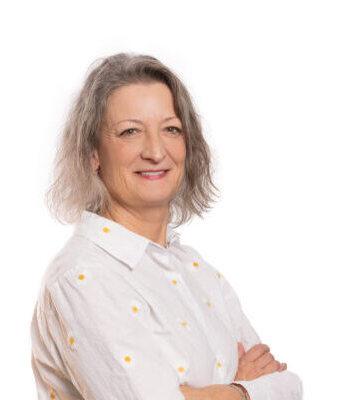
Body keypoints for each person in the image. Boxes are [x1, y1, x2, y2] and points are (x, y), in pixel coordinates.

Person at [30, 52, 303, 400]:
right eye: (130, 131)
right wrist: (244, 389)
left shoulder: (197, 271)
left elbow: (287, 385)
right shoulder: (82, 276)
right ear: (93, 152)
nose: (156, 151)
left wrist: (205, 393)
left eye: (171, 129)